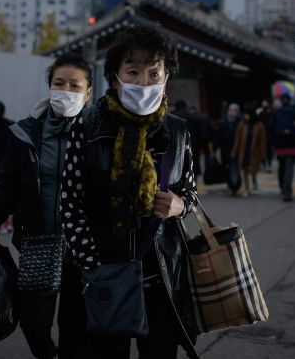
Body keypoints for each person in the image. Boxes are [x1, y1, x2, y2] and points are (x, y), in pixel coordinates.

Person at [53, 24, 200, 359]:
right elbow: (70, 203)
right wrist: (92, 265)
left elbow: (190, 191)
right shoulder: (87, 127)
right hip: (98, 273)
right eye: (133, 72)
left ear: (166, 77)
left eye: (153, 73)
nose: (144, 83)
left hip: (161, 275)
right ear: (115, 76)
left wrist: (180, 204)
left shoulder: (177, 132)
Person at [0, 53, 94, 359]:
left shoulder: (98, 133)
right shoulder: (26, 132)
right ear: (49, 86)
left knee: (75, 321)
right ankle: (46, 351)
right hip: (38, 239)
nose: (66, 90)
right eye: (59, 83)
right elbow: (7, 182)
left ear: (88, 92)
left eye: (75, 85)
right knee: (34, 320)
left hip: (83, 245)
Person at [272, 94, 295, 202]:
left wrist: (274, 140)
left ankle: (282, 187)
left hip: (280, 144)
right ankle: (287, 191)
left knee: (281, 166)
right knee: (289, 168)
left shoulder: (276, 112)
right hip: (292, 144)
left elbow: (270, 126)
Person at [231, 103, 268, 198]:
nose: (245, 116)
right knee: (245, 170)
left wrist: (263, 155)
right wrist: (234, 152)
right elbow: (237, 139)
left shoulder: (259, 125)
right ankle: (247, 188)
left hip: (255, 153)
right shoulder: (242, 124)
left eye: (247, 114)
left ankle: (254, 181)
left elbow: (262, 142)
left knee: (253, 170)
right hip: (244, 151)